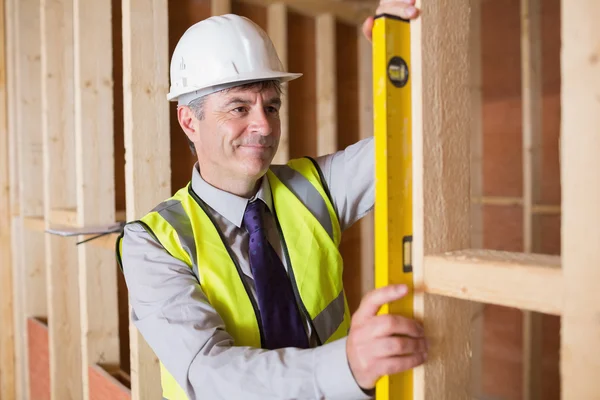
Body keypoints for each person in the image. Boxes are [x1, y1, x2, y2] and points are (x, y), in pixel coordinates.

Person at [117, 1, 425, 399]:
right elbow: (212, 376)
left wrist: (401, 52)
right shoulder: (153, 244)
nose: (263, 125)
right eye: (239, 107)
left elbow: (409, 144)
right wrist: (347, 366)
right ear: (190, 121)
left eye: (271, 105)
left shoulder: (315, 187)